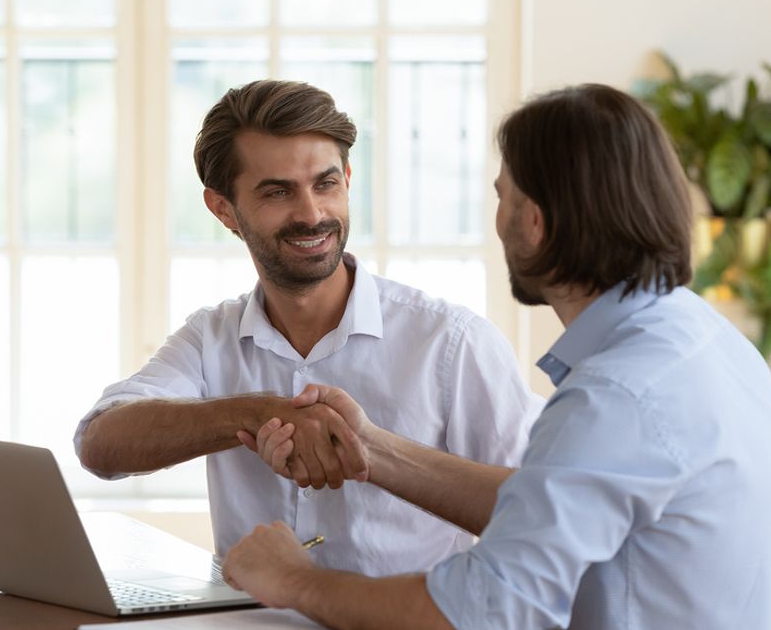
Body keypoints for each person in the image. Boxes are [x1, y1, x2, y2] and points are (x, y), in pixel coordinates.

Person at [222, 83, 771, 629]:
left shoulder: (615, 395)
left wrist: (292, 579)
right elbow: (547, 504)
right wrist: (373, 449)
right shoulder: (704, 337)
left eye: (503, 197)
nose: (497, 220)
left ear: (534, 222)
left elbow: (485, 612)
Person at [74, 79, 543, 577]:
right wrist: (257, 414)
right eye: (278, 192)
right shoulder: (209, 338)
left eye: (325, 184)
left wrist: (374, 454)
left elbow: (539, 512)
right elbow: (101, 444)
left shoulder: (451, 342)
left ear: (347, 177)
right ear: (223, 209)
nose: (312, 214)